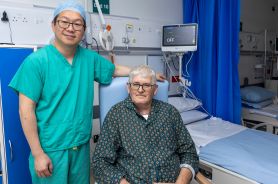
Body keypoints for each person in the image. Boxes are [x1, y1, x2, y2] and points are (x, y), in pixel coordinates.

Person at [9, 1, 164, 184]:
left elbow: (113, 69)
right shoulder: (36, 63)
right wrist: (38, 153)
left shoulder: (88, 58)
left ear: (83, 30)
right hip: (50, 149)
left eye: (77, 24)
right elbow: (25, 111)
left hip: (80, 147)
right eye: (64, 22)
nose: (70, 28)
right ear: (53, 25)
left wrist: (146, 74)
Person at [93, 65, 199, 184]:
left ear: (155, 89)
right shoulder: (116, 115)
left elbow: (189, 152)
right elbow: (100, 162)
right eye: (136, 84)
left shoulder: (170, 112)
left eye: (147, 85)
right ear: (128, 88)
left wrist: (180, 182)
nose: (140, 89)